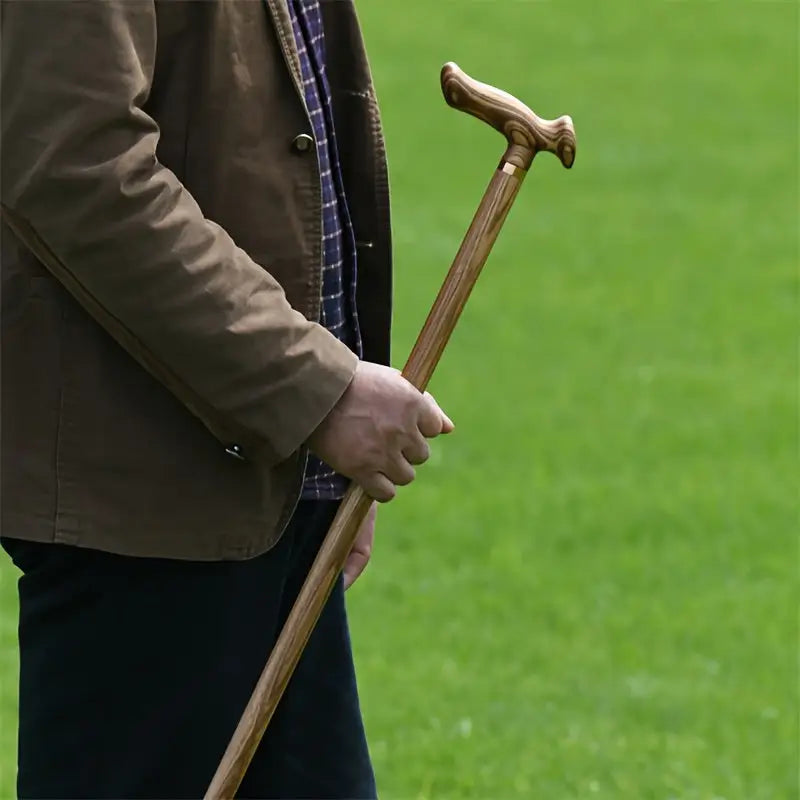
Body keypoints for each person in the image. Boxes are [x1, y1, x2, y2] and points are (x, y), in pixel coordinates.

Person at [0, 2, 453, 797]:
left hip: (270, 463)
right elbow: (74, 164)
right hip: (144, 500)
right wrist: (318, 391)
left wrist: (324, 417)